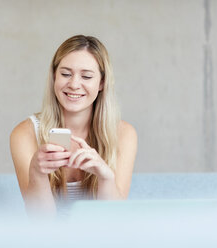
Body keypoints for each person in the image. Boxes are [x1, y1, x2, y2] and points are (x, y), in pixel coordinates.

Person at [10, 35, 137, 217]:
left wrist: (105, 178)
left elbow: (113, 221)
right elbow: (41, 224)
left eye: (86, 76)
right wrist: (37, 173)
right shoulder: (25, 134)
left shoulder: (124, 134)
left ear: (101, 82)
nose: (74, 84)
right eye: (66, 74)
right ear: (54, 76)